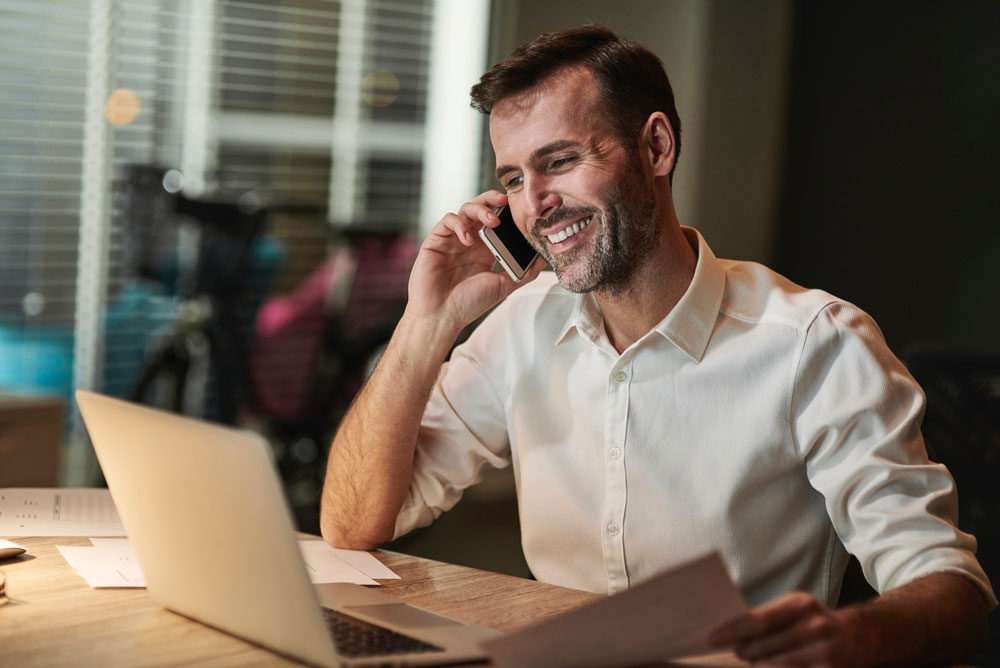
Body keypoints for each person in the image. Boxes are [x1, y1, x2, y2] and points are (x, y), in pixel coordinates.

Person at [321, 26, 995, 666]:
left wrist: (850, 641)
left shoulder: (817, 344)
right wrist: (425, 322)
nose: (535, 204)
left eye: (559, 161)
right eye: (514, 179)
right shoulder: (521, 325)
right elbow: (352, 525)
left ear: (657, 147)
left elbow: (955, 592)